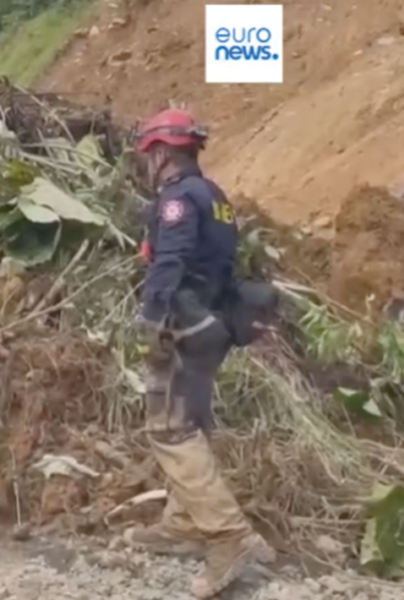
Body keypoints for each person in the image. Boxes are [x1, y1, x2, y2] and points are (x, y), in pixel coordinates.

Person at [123, 108, 276, 599]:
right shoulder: (215, 197)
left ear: (161, 153)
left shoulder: (177, 200)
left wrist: (150, 319)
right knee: (183, 419)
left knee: (169, 427)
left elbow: (170, 261)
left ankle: (229, 536)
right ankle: (184, 522)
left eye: (149, 155)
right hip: (214, 323)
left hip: (184, 325)